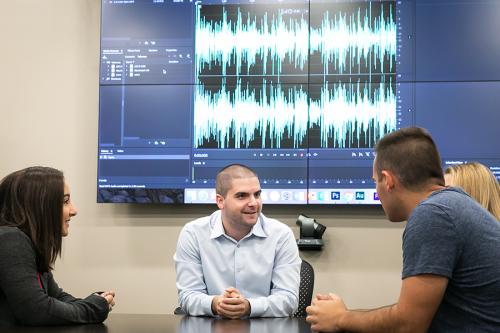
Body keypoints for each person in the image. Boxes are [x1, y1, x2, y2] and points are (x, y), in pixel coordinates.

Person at [306, 127, 500, 333]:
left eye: (375, 182)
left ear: (388, 180)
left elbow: (408, 325)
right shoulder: (452, 204)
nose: (376, 192)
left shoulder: (433, 215)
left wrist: (341, 319)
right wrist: (343, 315)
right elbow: (408, 314)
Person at [174, 164, 301, 318]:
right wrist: (215, 304)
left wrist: (249, 306)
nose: (253, 203)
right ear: (220, 201)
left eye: (257, 194)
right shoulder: (193, 234)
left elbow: (289, 300)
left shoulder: (281, 235)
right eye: (242, 196)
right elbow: (188, 296)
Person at [0, 166, 115, 326]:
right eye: (65, 202)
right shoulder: (10, 238)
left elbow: (56, 297)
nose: (73, 211)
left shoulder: (25, 242)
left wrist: (95, 302)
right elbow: (37, 310)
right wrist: (92, 308)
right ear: (39, 205)